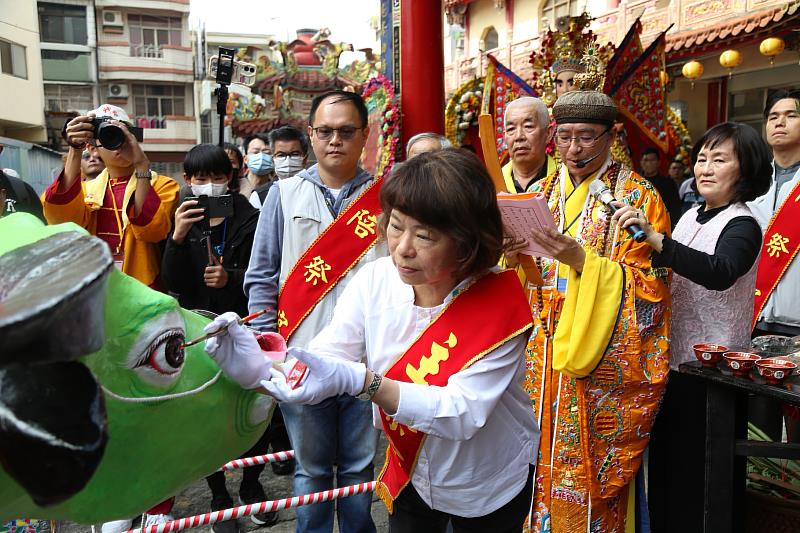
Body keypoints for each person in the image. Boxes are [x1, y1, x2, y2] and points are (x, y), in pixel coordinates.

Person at [206, 149, 539, 533]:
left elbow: (461, 413)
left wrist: (367, 383)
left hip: (486, 482)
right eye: (396, 226)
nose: (402, 247)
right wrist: (261, 368)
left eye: (425, 235)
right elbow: (328, 356)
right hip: (411, 477)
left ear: (468, 244)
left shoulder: (500, 301)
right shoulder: (376, 278)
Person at [511, 78, 671, 532]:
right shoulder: (540, 195)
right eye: (564, 137)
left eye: (587, 137)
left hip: (600, 358)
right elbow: (529, 277)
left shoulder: (639, 199)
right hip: (543, 350)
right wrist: (513, 253)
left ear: (612, 137)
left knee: (588, 474)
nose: (574, 149)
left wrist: (584, 262)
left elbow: (652, 283)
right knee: (535, 463)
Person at [613, 123, 771, 532]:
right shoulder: (690, 216)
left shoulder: (742, 224)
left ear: (746, 168)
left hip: (714, 373)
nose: (705, 167)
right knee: (668, 467)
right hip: (675, 364)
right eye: (702, 158)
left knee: (704, 479)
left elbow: (720, 272)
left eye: (720, 160)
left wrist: (658, 241)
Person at [244, 89, 386, 533]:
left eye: (347, 131)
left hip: (368, 361)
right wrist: (272, 353)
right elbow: (261, 278)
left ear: (365, 135)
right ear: (311, 135)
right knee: (311, 471)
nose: (335, 141)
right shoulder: (281, 196)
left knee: (361, 471)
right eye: (325, 131)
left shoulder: (387, 198)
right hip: (301, 360)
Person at [160, 143, 275, 532]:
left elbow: (265, 272)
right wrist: (176, 238)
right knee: (205, 411)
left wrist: (232, 277)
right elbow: (172, 281)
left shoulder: (251, 217)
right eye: (199, 178)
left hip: (242, 325)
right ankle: (218, 494)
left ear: (230, 177)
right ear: (187, 180)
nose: (208, 185)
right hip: (197, 327)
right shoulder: (183, 218)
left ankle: (252, 485)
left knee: (251, 404)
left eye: (217, 177)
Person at [42, 104, 180, 288]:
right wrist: (74, 148)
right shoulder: (84, 191)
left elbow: (152, 232)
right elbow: (60, 220)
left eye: (122, 134)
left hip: (143, 292)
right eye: (108, 136)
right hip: (94, 288)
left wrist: (142, 166)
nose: (119, 143)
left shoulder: (162, 185)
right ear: (93, 149)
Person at [749, 88, 800, 443]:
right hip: (754, 326)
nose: (779, 122)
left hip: (798, 328)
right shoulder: (750, 182)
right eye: (772, 117)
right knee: (756, 433)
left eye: (791, 115)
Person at [502, 97, 556, 193]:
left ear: (548, 133)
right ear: (505, 136)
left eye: (528, 127)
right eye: (511, 129)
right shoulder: (493, 183)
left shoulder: (563, 180)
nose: (518, 136)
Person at [640, 147, 682, 227]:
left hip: (662, 226)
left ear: (658, 162)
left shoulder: (668, 183)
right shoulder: (635, 182)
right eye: (646, 160)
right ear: (641, 162)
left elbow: (675, 208)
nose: (649, 163)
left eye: (652, 160)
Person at [241, 133, 275, 208]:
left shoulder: (277, 188)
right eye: (255, 152)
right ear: (245, 159)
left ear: (273, 158)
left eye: (267, 153)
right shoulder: (236, 188)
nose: (261, 156)